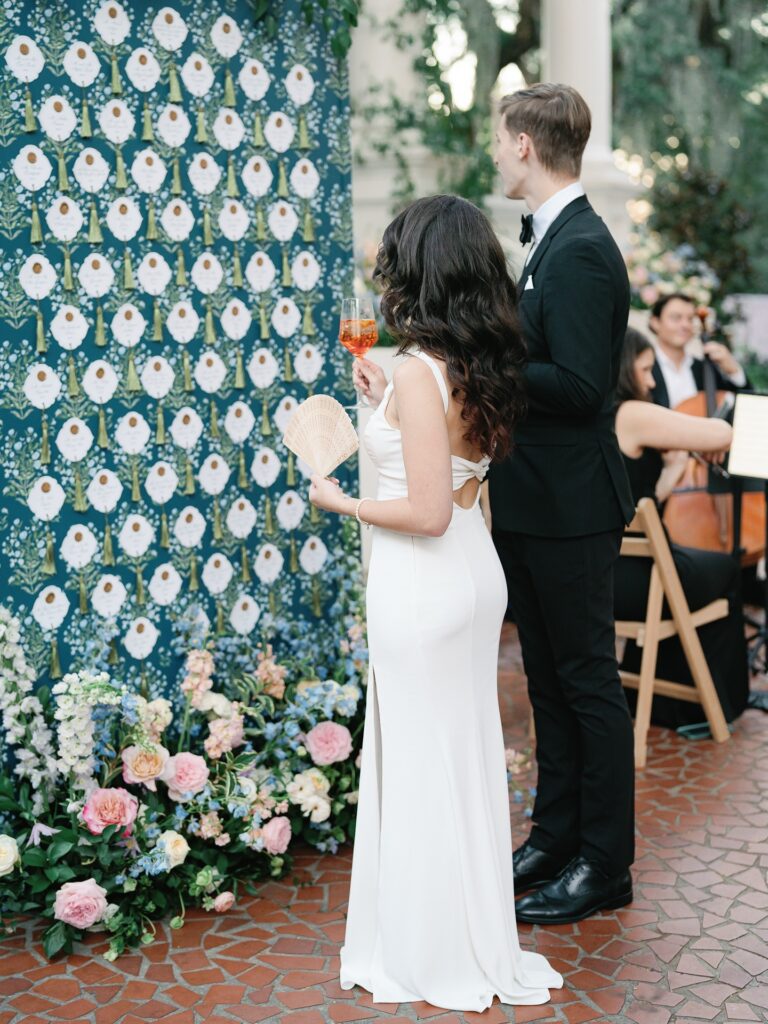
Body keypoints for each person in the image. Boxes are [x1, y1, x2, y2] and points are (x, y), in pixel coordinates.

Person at [309, 195, 563, 1011]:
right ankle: (466, 933)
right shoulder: (465, 365)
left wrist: (337, 502)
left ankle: (427, 949)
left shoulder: (424, 374)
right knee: (457, 759)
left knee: (422, 766)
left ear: (416, 267)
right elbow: (458, 481)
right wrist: (385, 390)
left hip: (424, 582)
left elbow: (423, 511)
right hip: (468, 575)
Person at [488, 83, 636, 926]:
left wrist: (484, 369)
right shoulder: (549, 241)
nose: (494, 153)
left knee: (586, 684)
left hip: (574, 503)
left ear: (524, 145)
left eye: (498, 140)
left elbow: (581, 385)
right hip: (536, 500)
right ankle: (555, 836)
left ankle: (604, 864)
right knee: (546, 679)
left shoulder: (579, 247)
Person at [614, 327, 749, 727]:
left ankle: (653, 696)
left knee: (683, 564)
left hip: (600, 576)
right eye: (645, 370)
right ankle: (706, 705)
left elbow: (641, 499)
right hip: (639, 586)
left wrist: (673, 467)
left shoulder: (589, 415)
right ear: (623, 369)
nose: (652, 381)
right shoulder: (631, 412)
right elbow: (720, 433)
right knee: (725, 567)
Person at [647, 293, 749, 409]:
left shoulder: (703, 369)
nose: (685, 325)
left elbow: (743, 405)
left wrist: (733, 370)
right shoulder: (643, 367)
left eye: (690, 319)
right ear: (655, 322)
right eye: (676, 318)